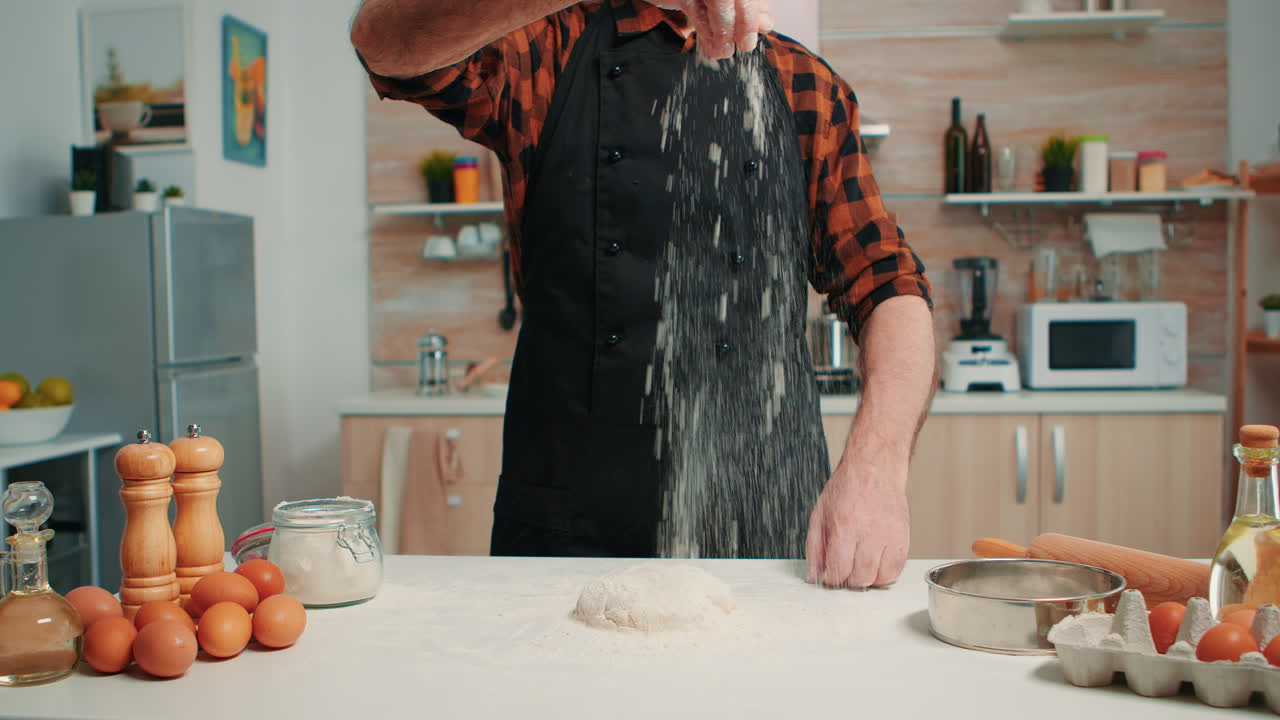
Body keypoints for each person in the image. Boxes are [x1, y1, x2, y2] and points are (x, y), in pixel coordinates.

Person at [351, 0, 936, 589]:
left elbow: (888, 283)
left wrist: (877, 469)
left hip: (768, 525)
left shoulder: (805, 84)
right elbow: (385, 44)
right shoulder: (543, 47)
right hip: (569, 530)